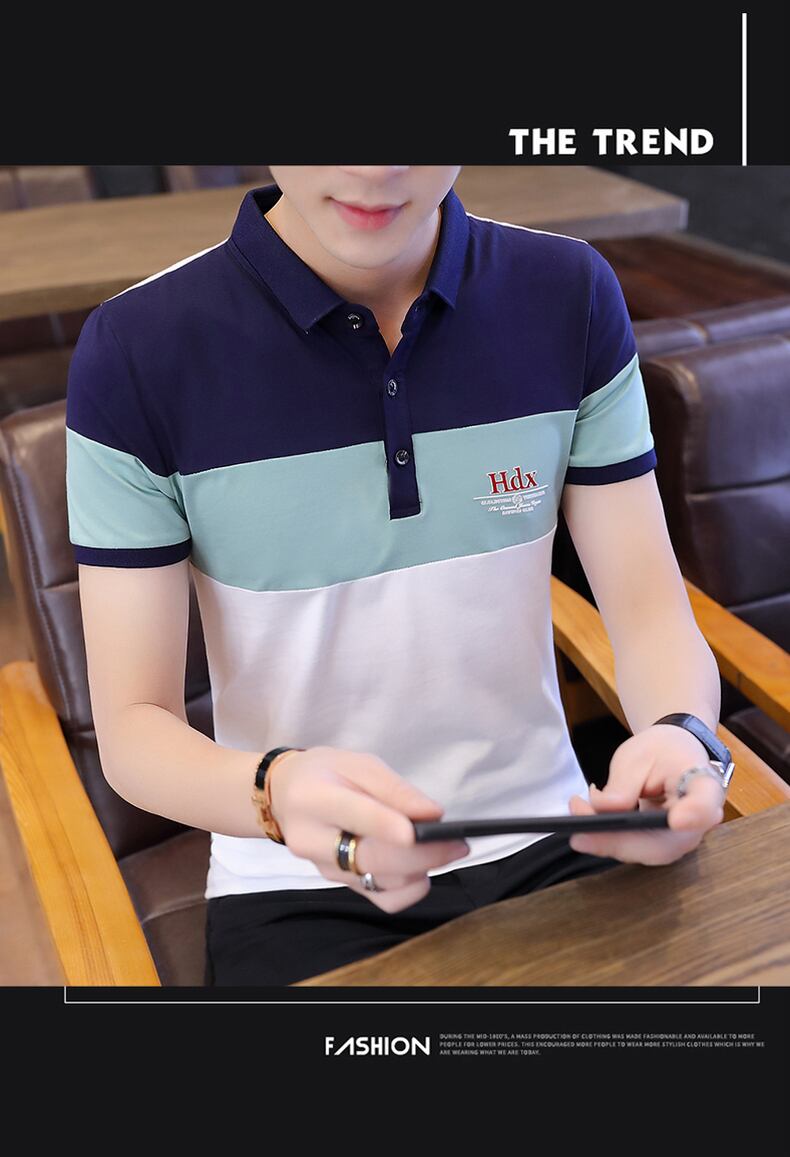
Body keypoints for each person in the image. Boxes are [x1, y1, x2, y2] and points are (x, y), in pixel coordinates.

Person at [65, 166, 731, 987]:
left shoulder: (570, 294)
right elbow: (133, 729)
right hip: (297, 879)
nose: (376, 166)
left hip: (561, 834)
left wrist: (682, 734)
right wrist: (275, 791)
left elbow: (652, 616)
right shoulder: (138, 348)